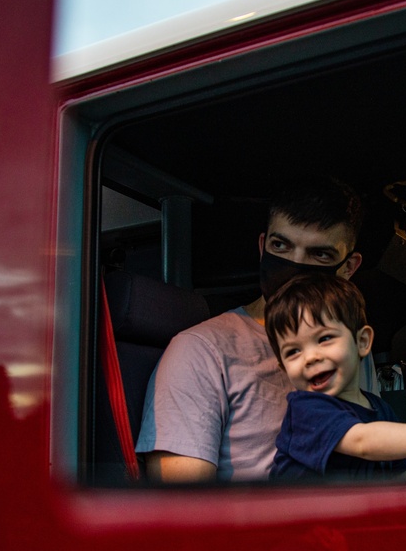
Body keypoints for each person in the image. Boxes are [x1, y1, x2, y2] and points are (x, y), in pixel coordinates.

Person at [136, 178, 367, 482]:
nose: (294, 266)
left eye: (319, 255)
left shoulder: (350, 349)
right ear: (262, 247)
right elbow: (185, 514)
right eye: (280, 246)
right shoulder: (202, 351)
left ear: (348, 269)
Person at [264, 273, 406, 480]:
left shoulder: (379, 409)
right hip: (299, 526)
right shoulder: (307, 411)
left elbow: (400, 470)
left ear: (362, 342)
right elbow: (364, 442)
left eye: (324, 339)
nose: (310, 357)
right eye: (293, 351)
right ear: (283, 368)